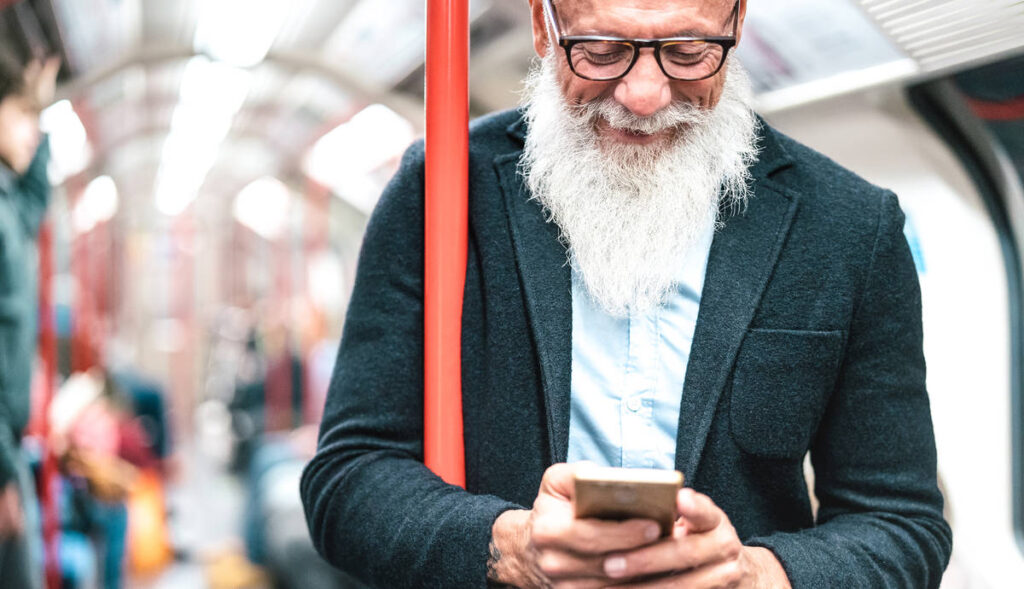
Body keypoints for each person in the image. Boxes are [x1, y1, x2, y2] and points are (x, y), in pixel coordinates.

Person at [300, 1, 953, 587]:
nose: (643, 95)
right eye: (603, 49)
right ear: (541, 25)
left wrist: (756, 575)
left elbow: (902, 523)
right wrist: (507, 545)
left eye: (689, 51)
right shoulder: (445, 191)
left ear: (737, 24)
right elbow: (348, 478)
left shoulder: (847, 226)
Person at [0, 48, 59, 589]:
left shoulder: (10, 205)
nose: (33, 133)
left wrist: (43, 102)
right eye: (23, 116)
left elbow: (37, 195)